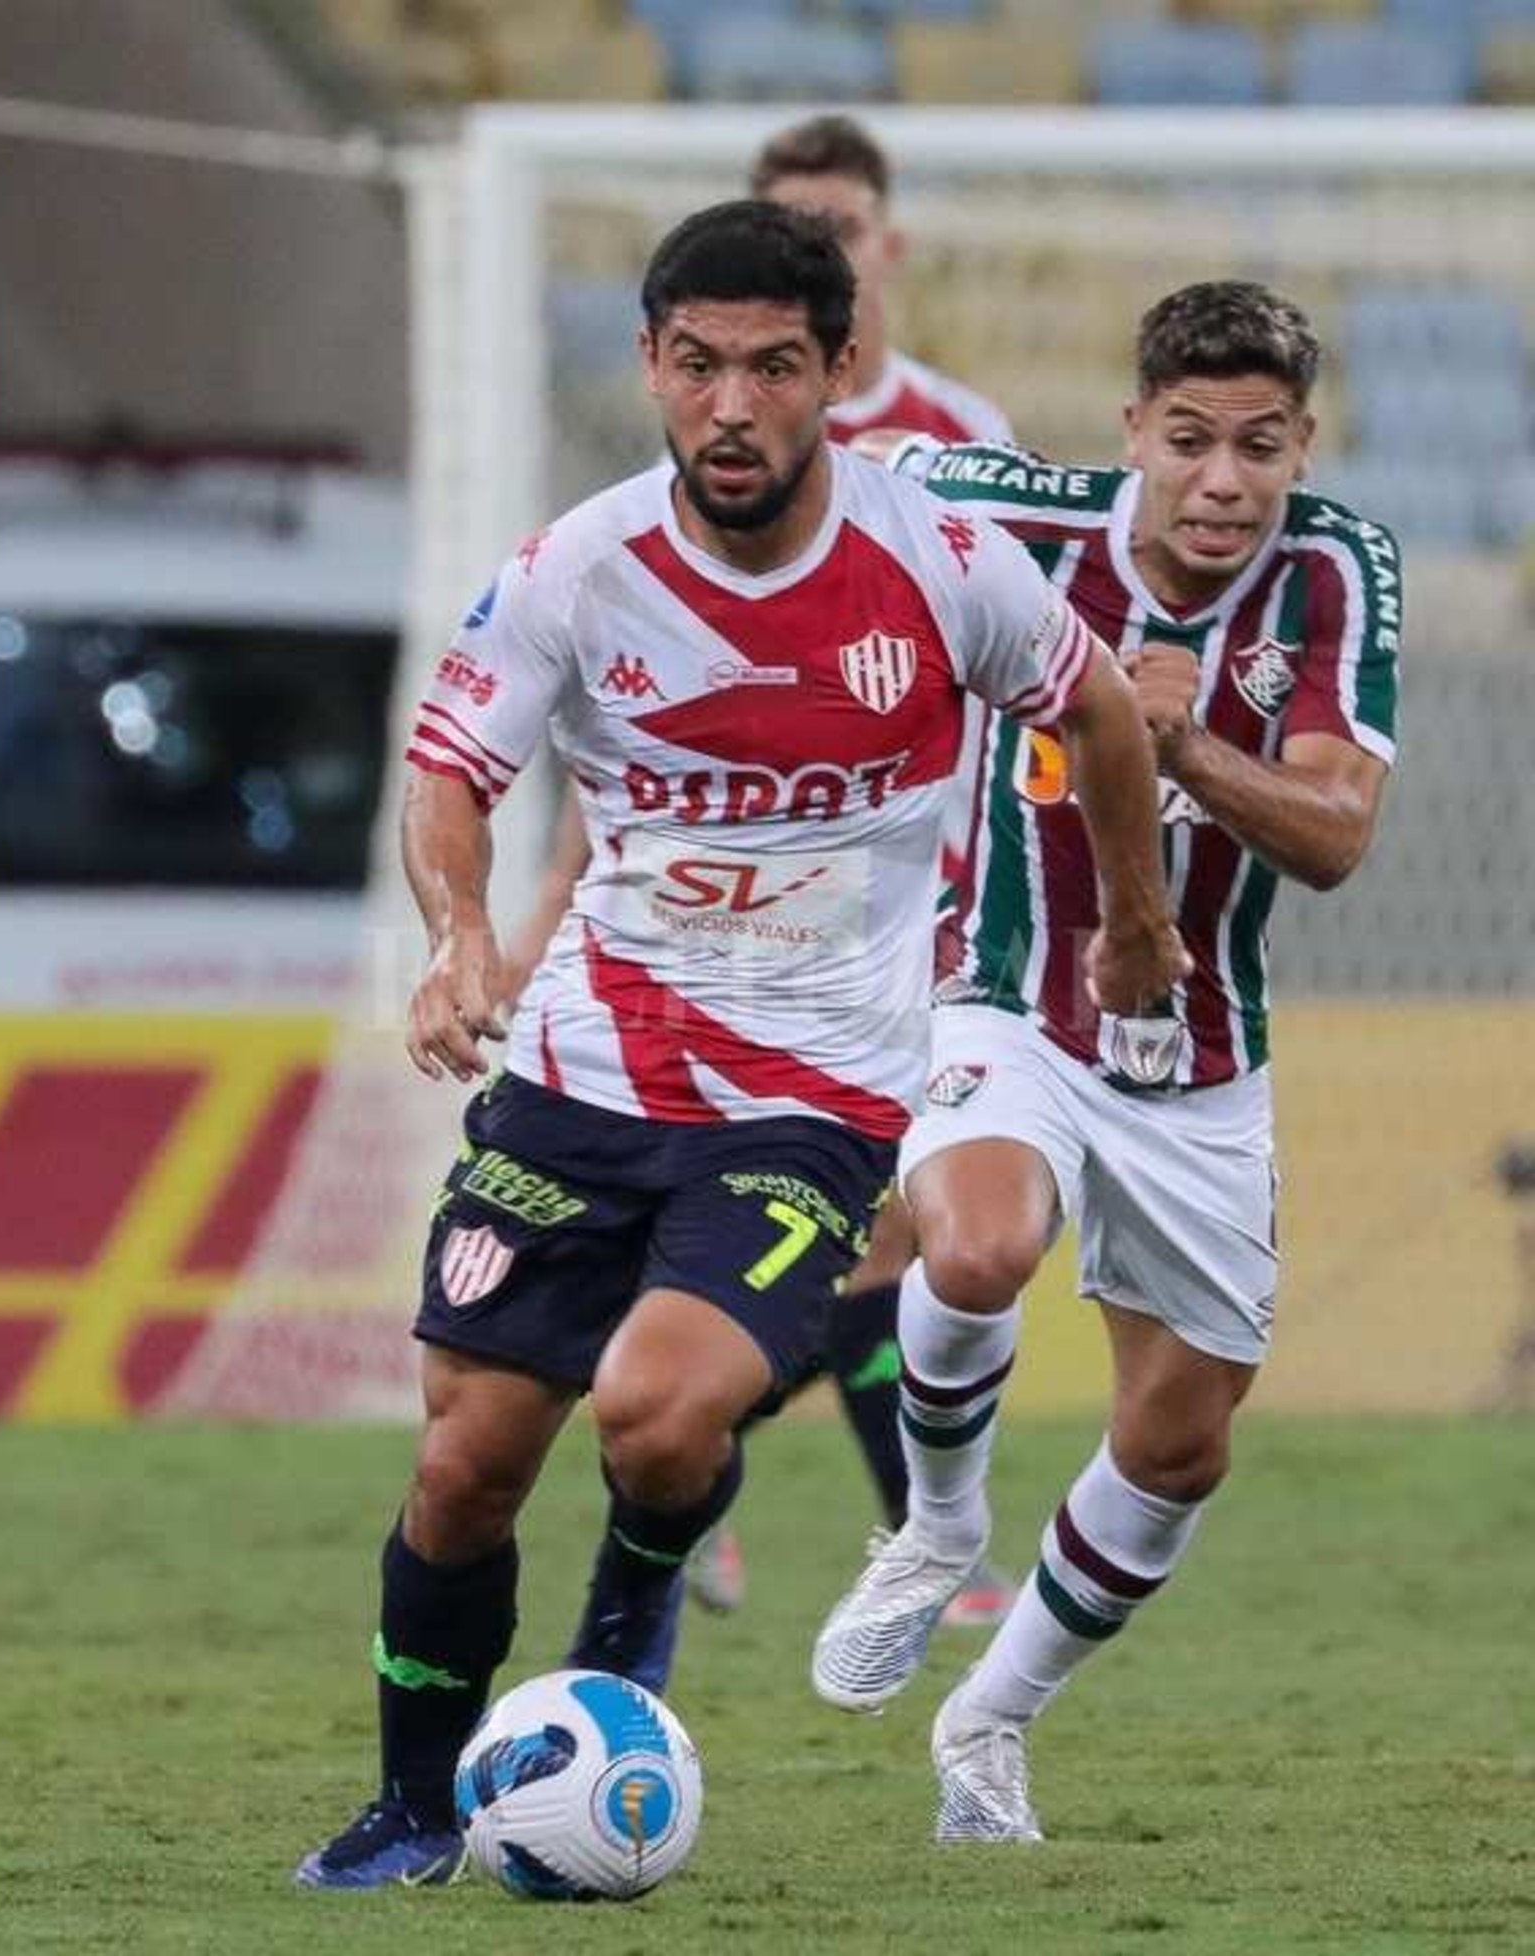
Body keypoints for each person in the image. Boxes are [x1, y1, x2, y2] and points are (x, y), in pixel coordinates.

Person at [294, 197, 1186, 1889]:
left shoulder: (939, 561)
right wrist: (461, 937)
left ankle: (631, 1603)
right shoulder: (576, 568)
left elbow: (1093, 710)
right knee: (465, 1463)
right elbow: (451, 774)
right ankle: (412, 1805)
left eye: (773, 367)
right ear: (647, 363)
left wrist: (1130, 920)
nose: (729, 405)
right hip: (579, 1074)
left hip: (811, 1098)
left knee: (652, 1413)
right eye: (696, 364)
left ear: (838, 372)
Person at [810, 280, 1401, 1845]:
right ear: (1132, 430)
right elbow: (831, 482)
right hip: (1006, 990)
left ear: (1301, 446)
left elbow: (1337, 838)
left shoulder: (1334, 569)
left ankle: (989, 1719)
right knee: (977, 1244)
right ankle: (936, 1528)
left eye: (1257, 446)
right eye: (1189, 439)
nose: (1221, 480)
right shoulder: (1004, 518)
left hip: (1201, 1050)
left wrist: (1183, 742)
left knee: (1178, 1442)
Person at [545, 112, 1021, 1643]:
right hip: (712, 934)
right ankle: (738, 1485)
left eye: (839, 227)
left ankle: (716, 1478)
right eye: (790, 221)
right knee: (837, 1231)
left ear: (884, 252)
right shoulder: (708, 451)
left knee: (893, 1234)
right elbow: (645, 722)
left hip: (916, 917)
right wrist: (546, 910)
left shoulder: (960, 437)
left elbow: (1037, 674)